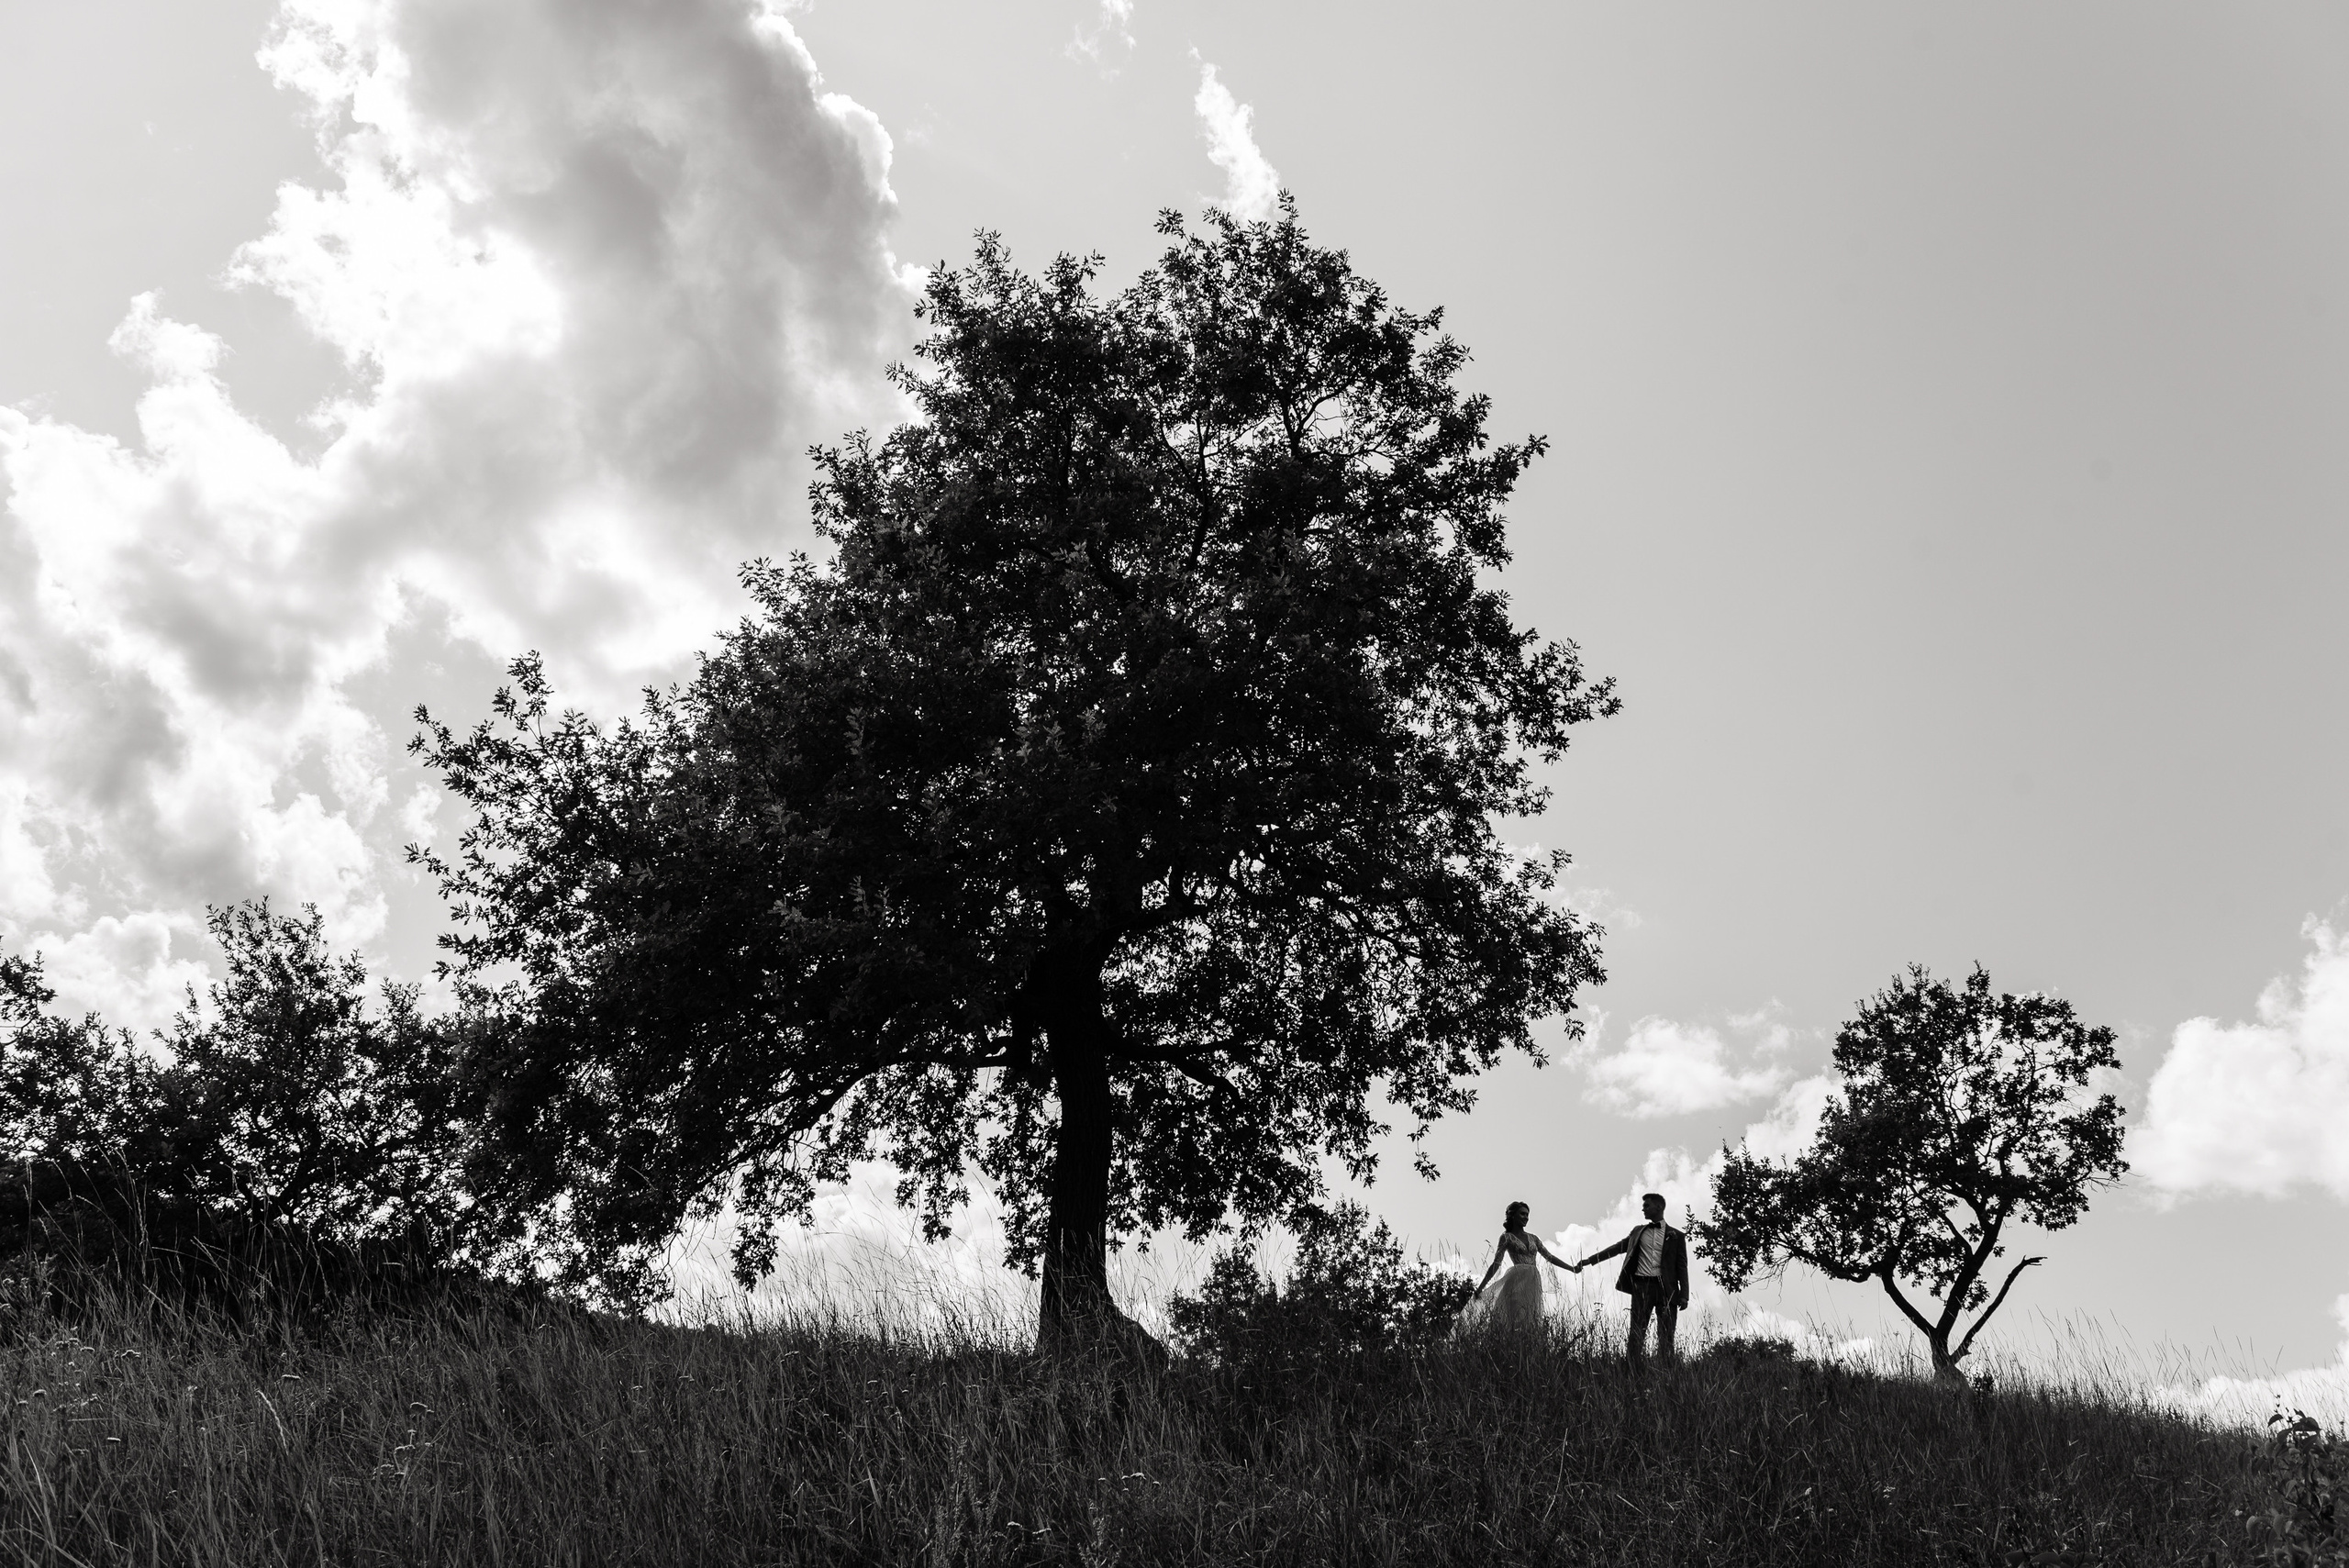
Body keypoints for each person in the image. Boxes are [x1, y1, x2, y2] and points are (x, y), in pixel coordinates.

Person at [1577, 1192, 1688, 1365]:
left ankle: (1667, 1373)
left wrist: (1684, 1295)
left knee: (1666, 1336)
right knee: (1636, 1333)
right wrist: (1590, 1260)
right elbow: (1617, 1248)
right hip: (1641, 1287)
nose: (1643, 1209)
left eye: (1647, 1205)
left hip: (1666, 1290)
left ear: (1659, 1207)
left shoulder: (1677, 1236)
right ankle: (1632, 1370)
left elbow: (1682, 1266)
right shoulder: (1638, 1232)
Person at [1466, 1201, 1580, 1333]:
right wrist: (1481, 1287)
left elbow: (1549, 1257)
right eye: (1522, 1214)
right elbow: (1496, 1264)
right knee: (1513, 1318)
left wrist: (1571, 1268)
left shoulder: (1534, 1238)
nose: (1526, 1217)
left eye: (1527, 1214)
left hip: (1532, 1280)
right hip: (1515, 1280)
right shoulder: (1506, 1237)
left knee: (1530, 1318)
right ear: (1512, 1215)